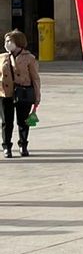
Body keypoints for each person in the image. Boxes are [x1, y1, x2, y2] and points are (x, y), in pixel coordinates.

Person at [1, 30, 40, 159]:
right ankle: (7, 146)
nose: (7, 44)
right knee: (7, 122)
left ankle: (23, 145)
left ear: (18, 42)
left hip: (23, 92)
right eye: (5, 41)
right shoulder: (2, 57)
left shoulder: (29, 58)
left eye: (9, 41)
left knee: (23, 121)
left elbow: (35, 78)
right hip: (5, 93)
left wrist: (37, 97)